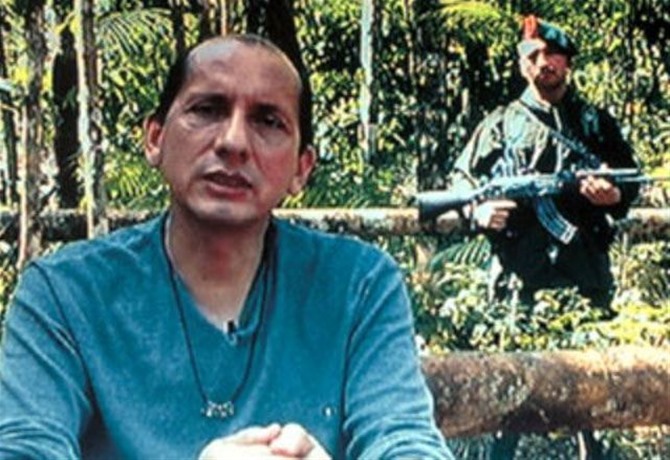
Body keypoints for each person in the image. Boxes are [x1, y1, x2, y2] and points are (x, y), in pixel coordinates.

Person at [0, 35, 453, 459]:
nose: (233, 142)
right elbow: (24, 448)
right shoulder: (65, 295)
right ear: (155, 138)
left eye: (268, 121)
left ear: (302, 168)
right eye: (207, 109)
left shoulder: (357, 285)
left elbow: (403, 438)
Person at [450, 15, 639, 312]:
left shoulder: (595, 124)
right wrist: (478, 210)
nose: (543, 62)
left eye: (552, 53)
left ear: (568, 62)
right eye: (533, 55)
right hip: (517, 282)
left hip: (586, 279)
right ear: (521, 65)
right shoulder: (500, 124)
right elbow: (462, 179)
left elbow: (630, 179)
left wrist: (614, 195)